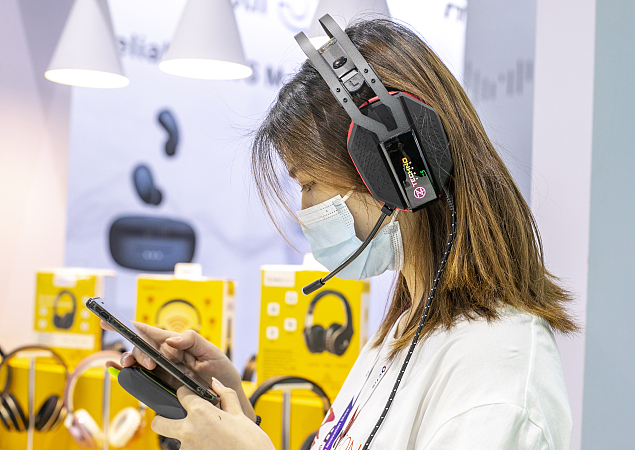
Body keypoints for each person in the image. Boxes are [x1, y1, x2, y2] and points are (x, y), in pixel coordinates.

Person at [107, 18, 578, 450]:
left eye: (309, 184)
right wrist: (240, 417)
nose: (304, 210)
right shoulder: (403, 333)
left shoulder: (496, 382)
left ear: (393, 170)